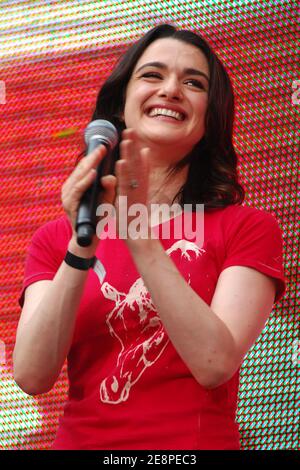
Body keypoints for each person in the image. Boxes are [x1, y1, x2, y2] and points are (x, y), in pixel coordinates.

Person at [14, 24, 286, 450]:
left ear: (210, 116)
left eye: (193, 82)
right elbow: (32, 375)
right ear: (120, 105)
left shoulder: (247, 227)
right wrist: (84, 243)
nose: (172, 89)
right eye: (152, 75)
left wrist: (137, 232)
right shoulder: (57, 238)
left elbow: (214, 363)